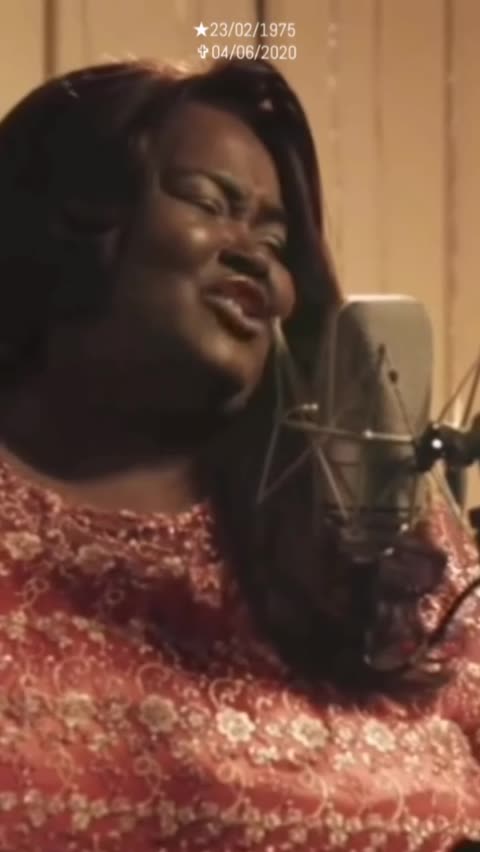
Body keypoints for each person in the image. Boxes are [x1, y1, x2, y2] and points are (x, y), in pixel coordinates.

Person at [0, 56, 478, 852]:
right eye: (209, 203)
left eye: (276, 238)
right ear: (70, 217)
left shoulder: (380, 536)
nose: (258, 259)